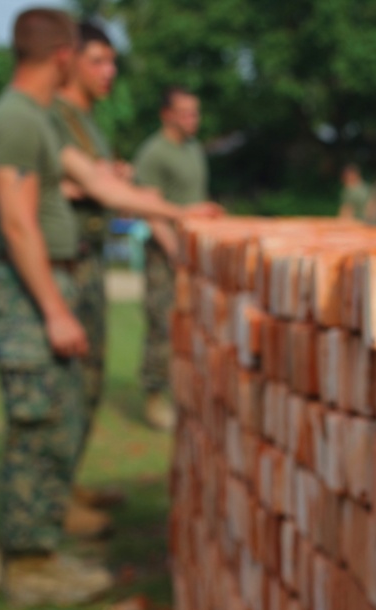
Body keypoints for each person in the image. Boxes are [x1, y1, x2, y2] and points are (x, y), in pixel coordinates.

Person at [50, 22, 222, 533]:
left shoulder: (88, 122)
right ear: (68, 58)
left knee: (86, 383)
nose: (111, 72)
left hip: (87, 258)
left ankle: (65, 486)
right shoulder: (46, 119)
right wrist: (171, 228)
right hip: (73, 261)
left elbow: (102, 184)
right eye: (99, 60)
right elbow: (120, 199)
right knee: (145, 333)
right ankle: (48, 509)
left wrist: (110, 182)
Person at [0, 7, 112, 606]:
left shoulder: (32, 118)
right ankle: (29, 566)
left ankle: (40, 549)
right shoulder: (17, 121)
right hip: (28, 295)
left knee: (56, 424)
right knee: (39, 428)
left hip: (42, 289)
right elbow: (16, 220)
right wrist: (55, 309)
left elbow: (92, 186)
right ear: (62, 57)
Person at [133, 86, 212, 431]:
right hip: (165, 250)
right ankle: (154, 398)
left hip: (193, 251)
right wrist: (173, 251)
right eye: (185, 113)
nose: (192, 119)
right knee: (162, 324)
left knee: (193, 324)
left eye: (195, 112)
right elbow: (151, 210)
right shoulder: (154, 153)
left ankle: (185, 393)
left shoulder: (194, 150)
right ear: (167, 114)